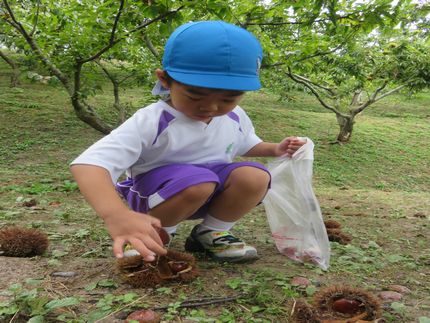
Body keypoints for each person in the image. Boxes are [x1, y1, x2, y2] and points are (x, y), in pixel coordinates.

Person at [70, 20, 305, 264]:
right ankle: (156, 233)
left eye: (229, 98)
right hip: (158, 195)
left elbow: (245, 144)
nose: (211, 107)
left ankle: (211, 232)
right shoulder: (153, 120)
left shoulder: (234, 117)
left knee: (256, 175)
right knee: (198, 182)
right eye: (195, 95)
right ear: (164, 80)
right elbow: (89, 164)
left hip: (208, 191)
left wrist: (275, 148)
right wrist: (115, 215)